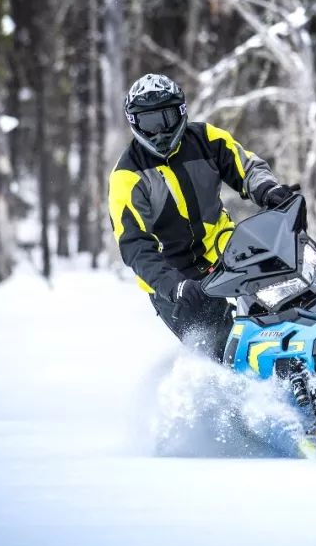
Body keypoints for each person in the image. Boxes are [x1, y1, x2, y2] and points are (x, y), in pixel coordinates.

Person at [107, 73, 296, 360]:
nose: (159, 132)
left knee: (282, 306)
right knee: (222, 352)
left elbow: (246, 167)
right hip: (177, 283)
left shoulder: (206, 139)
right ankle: (240, 401)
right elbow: (135, 246)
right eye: (149, 122)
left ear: (181, 113)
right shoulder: (127, 177)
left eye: (166, 118)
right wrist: (173, 285)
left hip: (227, 253)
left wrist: (269, 191)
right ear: (135, 124)